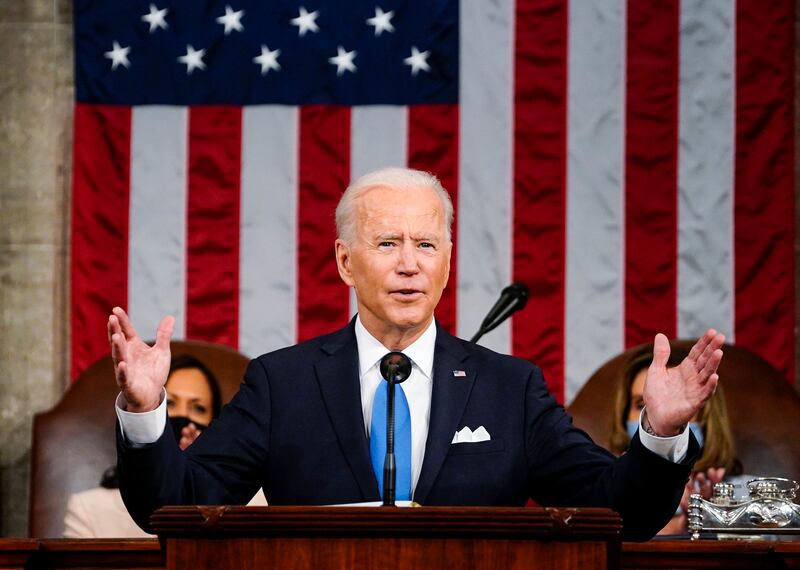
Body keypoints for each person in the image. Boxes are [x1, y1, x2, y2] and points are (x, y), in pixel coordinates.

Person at [110, 167, 725, 541]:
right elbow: (177, 508)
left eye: (426, 244)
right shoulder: (283, 383)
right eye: (386, 243)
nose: (409, 263)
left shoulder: (509, 389)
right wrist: (144, 412)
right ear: (346, 261)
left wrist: (661, 434)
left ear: (448, 262)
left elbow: (619, 512)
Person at [63, 355, 266, 538]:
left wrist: (201, 479)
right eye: (169, 404)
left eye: (198, 408)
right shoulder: (89, 509)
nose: (184, 417)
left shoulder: (253, 504)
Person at [608, 344, 750, 535]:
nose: (658, 416)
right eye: (641, 404)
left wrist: (716, 524)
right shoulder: (606, 490)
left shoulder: (748, 492)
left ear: (707, 416)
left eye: (673, 403)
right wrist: (676, 530)